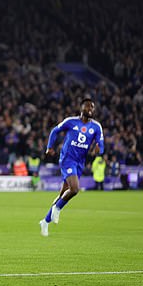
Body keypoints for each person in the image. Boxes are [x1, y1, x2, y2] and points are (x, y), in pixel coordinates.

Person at [39, 98, 104, 237]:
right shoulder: (71, 121)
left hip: (80, 163)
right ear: (82, 108)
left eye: (92, 107)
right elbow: (55, 131)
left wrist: (99, 149)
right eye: (88, 107)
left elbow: (101, 144)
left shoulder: (96, 127)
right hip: (67, 159)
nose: (91, 110)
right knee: (74, 189)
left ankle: (45, 222)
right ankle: (57, 208)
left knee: (64, 192)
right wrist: (49, 146)